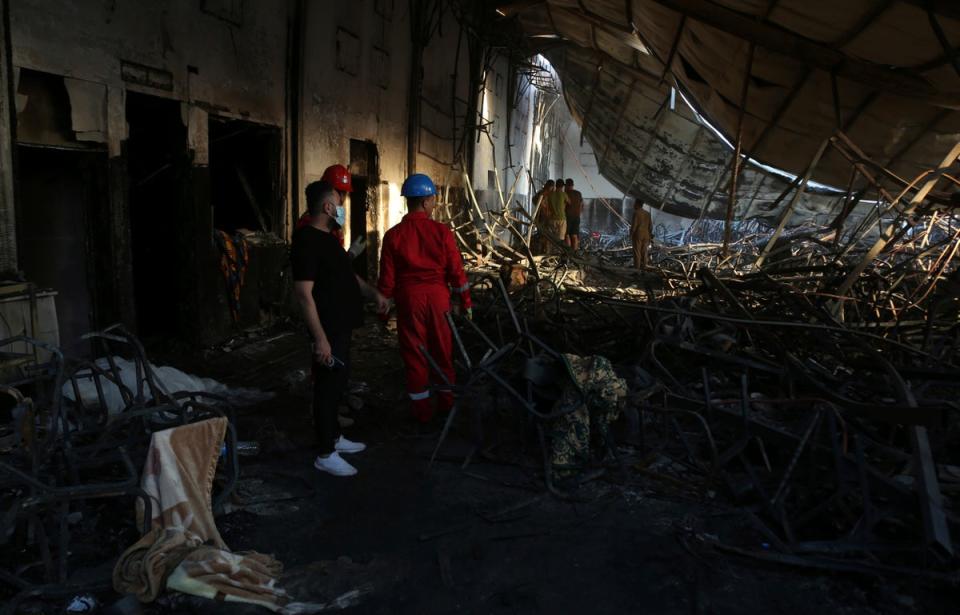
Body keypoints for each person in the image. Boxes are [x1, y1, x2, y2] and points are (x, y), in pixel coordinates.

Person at [291, 180, 388, 476]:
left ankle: (334, 437)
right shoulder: (307, 240)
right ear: (328, 207)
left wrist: (374, 294)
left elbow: (349, 277)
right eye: (338, 202)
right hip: (328, 329)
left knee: (338, 384)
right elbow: (304, 294)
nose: (342, 208)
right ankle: (324, 453)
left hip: (341, 327)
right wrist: (320, 339)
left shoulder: (330, 239)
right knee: (326, 388)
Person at [377, 174, 473, 424]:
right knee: (443, 352)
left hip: (409, 302)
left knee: (415, 355)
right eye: (433, 199)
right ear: (428, 200)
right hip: (438, 300)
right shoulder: (442, 232)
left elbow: (386, 280)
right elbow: (457, 272)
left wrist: (383, 311)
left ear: (408, 201)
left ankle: (421, 415)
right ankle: (446, 407)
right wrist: (466, 303)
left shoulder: (393, 235)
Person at [544, 177, 569, 254]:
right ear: (562, 186)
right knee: (560, 239)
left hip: (552, 219)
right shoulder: (564, 194)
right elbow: (569, 202)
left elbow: (545, 204)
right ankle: (557, 254)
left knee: (551, 237)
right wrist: (564, 204)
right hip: (562, 219)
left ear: (556, 185)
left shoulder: (550, 195)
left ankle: (548, 253)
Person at [532, 179, 554, 255]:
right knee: (542, 234)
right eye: (551, 187)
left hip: (546, 217)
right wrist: (541, 205)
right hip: (541, 216)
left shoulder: (549, 194)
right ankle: (542, 251)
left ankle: (544, 251)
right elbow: (535, 200)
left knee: (545, 234)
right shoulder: (542, 193)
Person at [631, 201, 653, 269]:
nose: (633, 205)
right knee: (644, 252)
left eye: (634, 204)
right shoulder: (648, 214)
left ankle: (637, 270)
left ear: (637, 204)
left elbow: (634, 226)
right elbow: (650, 226)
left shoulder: (636, 213)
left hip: (638, 235)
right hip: (646, 235)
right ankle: (644, 268)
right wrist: (649, 235)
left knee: (637, 252)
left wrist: (631, 234)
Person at [564, 178, 584, 251]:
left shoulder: (566, 193)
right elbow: (582, 204)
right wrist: (579, 212)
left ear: (566, 186)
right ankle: (574, 252)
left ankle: (568, 252)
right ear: (573, 185)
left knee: (567, 234)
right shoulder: (578, 193)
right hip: (577, 217)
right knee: (574, 235)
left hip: (568, 216)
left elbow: (564, 205)